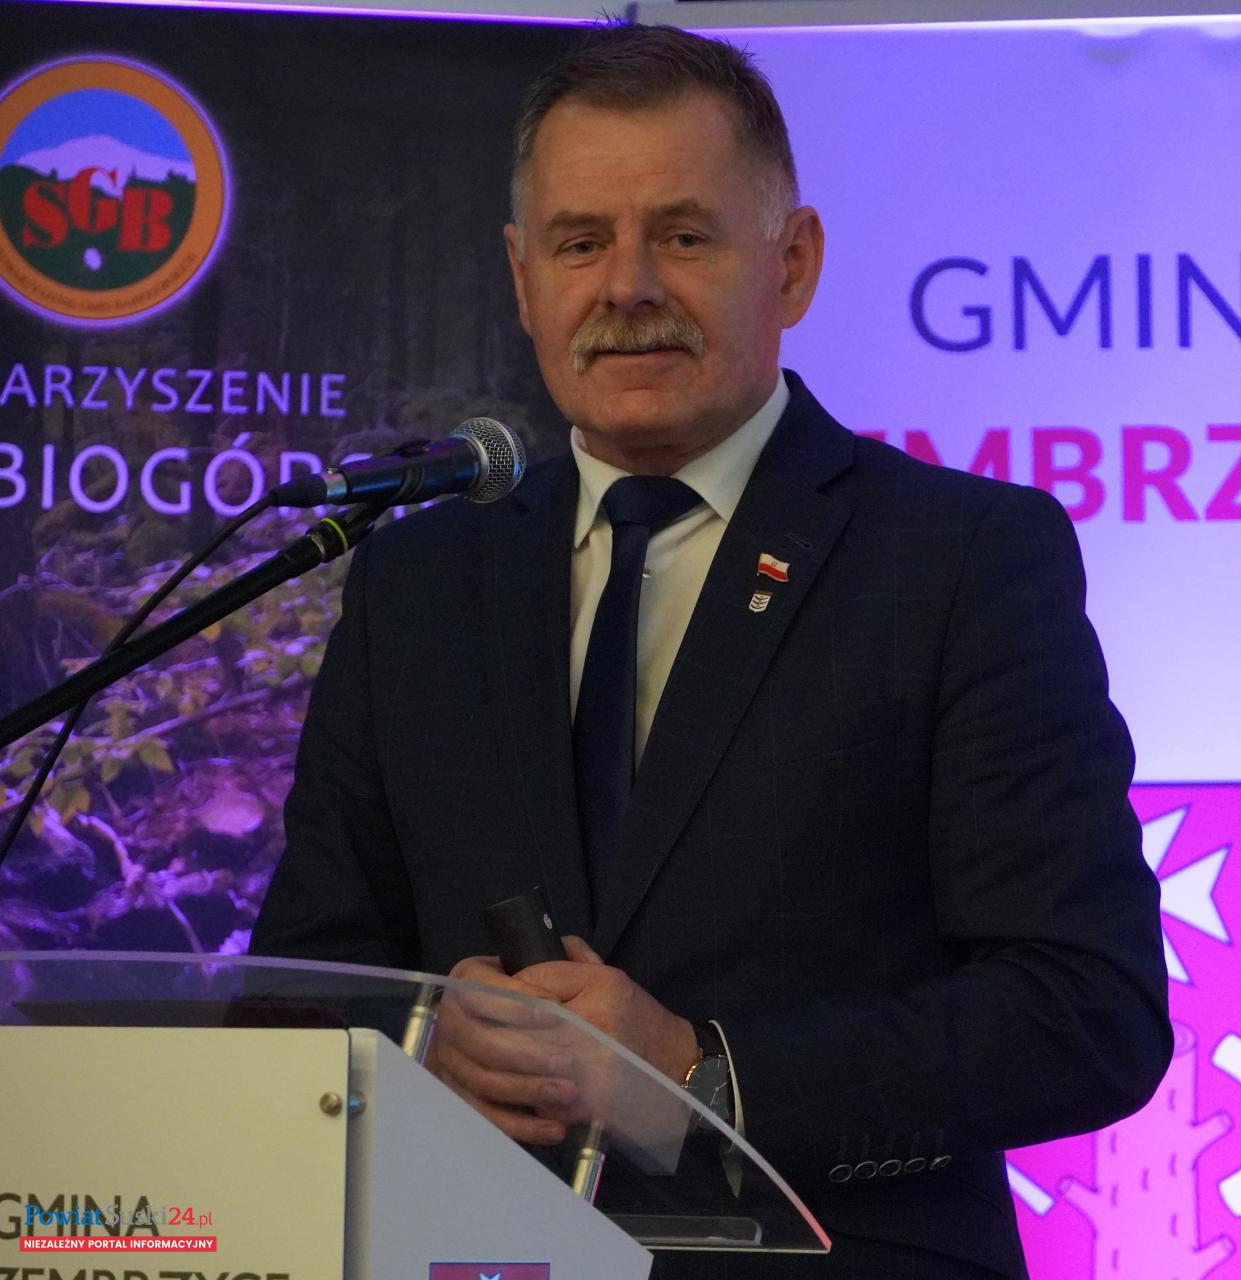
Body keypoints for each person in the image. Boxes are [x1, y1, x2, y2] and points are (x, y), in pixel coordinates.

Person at [251, 23, 1169, 1279]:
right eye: (580, 242)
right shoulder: (417, 584)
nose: (627, 286)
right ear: (522, 277)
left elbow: (1086, 1009)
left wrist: (701, 1075)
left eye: (683, 236)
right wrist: (423, 1043)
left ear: (792, 265)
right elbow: (296, 995)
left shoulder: (960, 560)